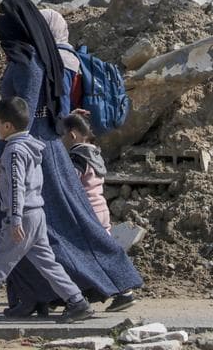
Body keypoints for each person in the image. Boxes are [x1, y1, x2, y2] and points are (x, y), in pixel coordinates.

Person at [0, 0, 143, 318]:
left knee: (34, 224)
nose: (0, 25)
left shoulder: (28, 62)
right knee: (46, 225)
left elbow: (21, 117)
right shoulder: (31, 58)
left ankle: (105, 284)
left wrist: (0, 155)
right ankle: (32, 296)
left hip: (30, 154)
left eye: (5, 19)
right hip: (41, 149)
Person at [0, 97, 94, 325]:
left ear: (8, 126)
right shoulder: (28, 146)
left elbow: (18, 187)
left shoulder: (13, 152)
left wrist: (16, 219)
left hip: (22, 216)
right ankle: (77, 302)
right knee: (48, 264)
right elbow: (25, 181)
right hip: (36, 213)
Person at [61, 112, 137, 311]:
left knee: (91, 255)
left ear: (72, 135)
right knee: (103, 251)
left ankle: (122, 291)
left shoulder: (77, 157)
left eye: (63, 135)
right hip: (101, 209)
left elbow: (70, 183)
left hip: (89, 213)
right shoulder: (94, 153)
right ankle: (112, 291)